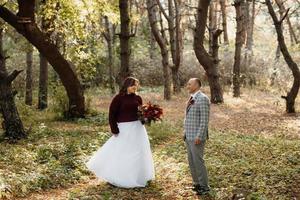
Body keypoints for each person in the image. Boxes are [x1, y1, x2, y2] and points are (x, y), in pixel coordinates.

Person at [86, 77, 155, 188]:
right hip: (124, 129)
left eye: (136, 85)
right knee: (123, 152)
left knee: (138, 152)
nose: (135, 87)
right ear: (127, 85)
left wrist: (146, 118)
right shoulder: (119, 98)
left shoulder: (138, 98)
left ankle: (138, 177)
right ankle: (118, 177)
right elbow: (111, 114)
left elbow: (140, 114)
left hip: (138, 129)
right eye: (133, 85)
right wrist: (114, 129)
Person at [183, 78, 210, 195]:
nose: (187, 85)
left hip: (197, 137)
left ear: (197, 85)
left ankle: (204, 186)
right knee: (191, 161)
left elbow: (204, 120)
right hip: (188, 135)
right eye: (188, 83)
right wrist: (184, 132)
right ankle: (196, 183)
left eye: (190, 84)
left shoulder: (203, 99)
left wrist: (199, 136)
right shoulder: (191, 98)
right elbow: (188, 117)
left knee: (198, 161)